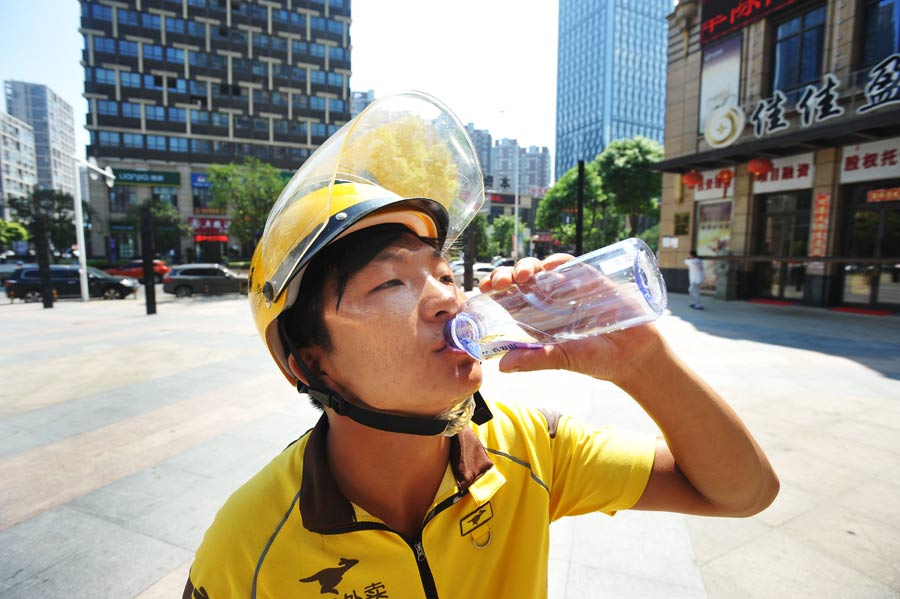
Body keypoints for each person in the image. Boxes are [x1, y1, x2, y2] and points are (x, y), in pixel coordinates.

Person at [183, 92, 778, 599]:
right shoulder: (249, 545)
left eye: (443, 275)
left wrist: (644, 364)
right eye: (389, 282)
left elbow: (744, 493)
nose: (449, 300)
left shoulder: (532, 448)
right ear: (311, 361)